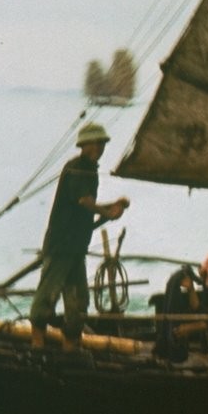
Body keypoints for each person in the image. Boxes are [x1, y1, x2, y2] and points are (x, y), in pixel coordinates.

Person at [30, 122, 129, 351]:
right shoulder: (77, 168)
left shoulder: (90, 170)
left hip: (76, 247)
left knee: (79, 302)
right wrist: (107, 211)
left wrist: (111, 207)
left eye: (101, 143)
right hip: (61, 244)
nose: (99, 148)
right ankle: (37, 342)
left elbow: (87, 204)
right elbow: (84, 201)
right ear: (83, 145)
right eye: (94, 143)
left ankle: (70, 344)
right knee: (48, 294)